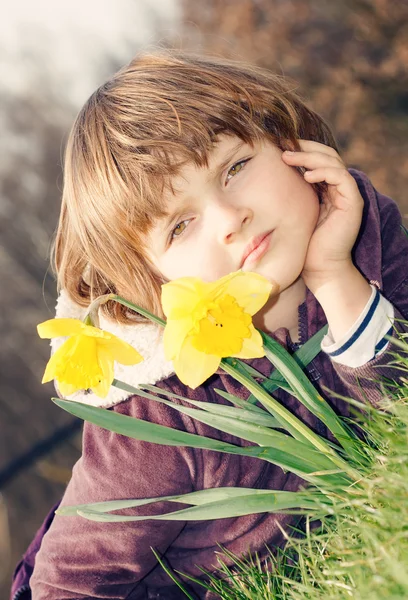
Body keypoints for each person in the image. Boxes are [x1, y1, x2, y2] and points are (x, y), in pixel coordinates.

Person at [12, 50, 408, 600]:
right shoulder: (157, 412)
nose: (229, 220)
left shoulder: (360, 230)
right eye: (180, 226)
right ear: (145, 282)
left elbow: (399, 419)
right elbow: (67, 586)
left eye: (235, 168)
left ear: (287, 141)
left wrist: (337, 277)